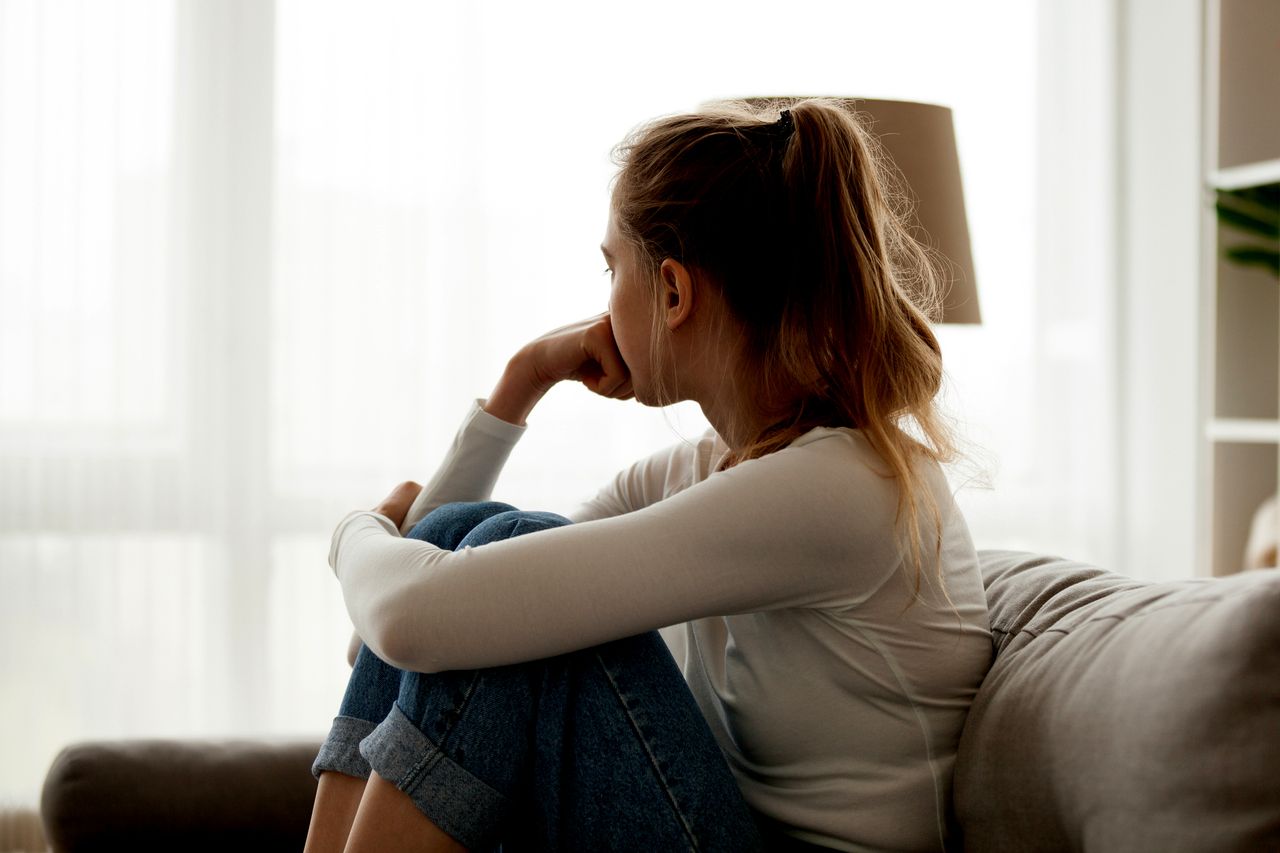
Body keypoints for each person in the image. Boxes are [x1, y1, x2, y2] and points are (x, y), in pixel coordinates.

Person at [303, 98, 992, 853]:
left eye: (611, 270)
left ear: (672, 291)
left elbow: (409, 616)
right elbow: (418, 619)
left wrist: (353, 533)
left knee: (511, 566)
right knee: (488, 548)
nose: (602, 304)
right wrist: (522, 382)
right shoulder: (713, 468)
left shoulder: (838, 489)